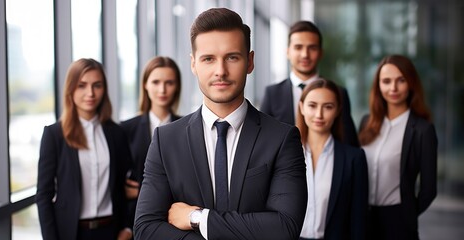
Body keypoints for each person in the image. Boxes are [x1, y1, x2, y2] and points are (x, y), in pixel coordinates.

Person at [134, 8, 308, 240]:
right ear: (194, 64)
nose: (221, 71)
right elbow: (146, 229)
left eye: (232, 57)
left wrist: (198, 218)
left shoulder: (282, 138)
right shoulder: (166, 140)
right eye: (208, 59)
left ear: (250, 61)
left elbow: (284, 228)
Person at [36, 58, 133, 240]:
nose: (90, 93)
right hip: (71, 233)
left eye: (97, 85)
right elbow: (43, 195)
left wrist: (128, 227)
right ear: (70, 89)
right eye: (82, 85)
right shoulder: (54, 135)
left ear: (104, 90)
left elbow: (124, 187)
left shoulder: (116, 133)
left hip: (112, 231)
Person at [358, 55, 438, 240]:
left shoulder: (422, 130)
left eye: (401, 80)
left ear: (411, 83)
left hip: (398, 221)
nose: (393, 88)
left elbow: (429, 189)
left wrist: (407, 214)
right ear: (378, 85)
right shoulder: (366, 123)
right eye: (386, 81)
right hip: (363, 217)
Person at [261, 20, 359, 147]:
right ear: (287, 52)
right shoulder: (272, 94)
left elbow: (349, 142)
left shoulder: (339, 93)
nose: (305, 54)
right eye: (298, 47)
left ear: (321, 53)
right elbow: (261, 143)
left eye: (312, 48)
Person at [296, 78, 368, 240]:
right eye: (312, 106)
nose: (319, 115)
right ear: (301, 107)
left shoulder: (354, 159)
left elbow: (358, 220)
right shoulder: (283, 155)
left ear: (337, 110)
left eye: (328, 107)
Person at [120, 56, 182, 228]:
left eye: (169, 82)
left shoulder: (188, 127)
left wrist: (139, 191)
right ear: (145, 85)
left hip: (177, 221)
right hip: (136, 221)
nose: (162, 89)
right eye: (155, 82)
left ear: (177, 87)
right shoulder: (126, 129)